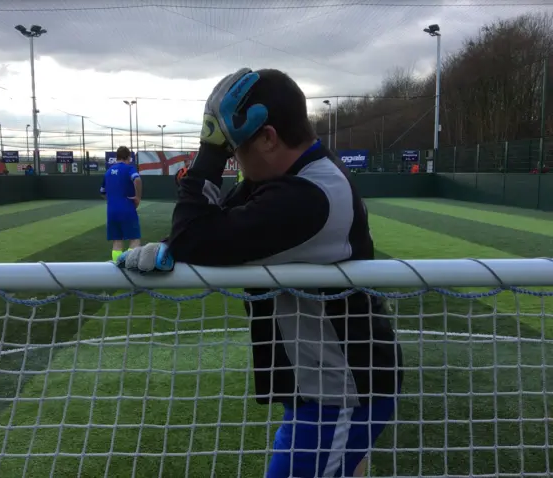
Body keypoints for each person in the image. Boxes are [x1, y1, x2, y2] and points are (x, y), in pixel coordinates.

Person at [118, 68, 403, 477]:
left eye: (235, 149)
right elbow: (207, 226)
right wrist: (169, 244)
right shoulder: (296, 176)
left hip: (344, 391)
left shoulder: (310, 196)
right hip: (324, 382)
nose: (233, 159)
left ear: (268, 137)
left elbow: (198, 236)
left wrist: (209, 152)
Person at [101, 146, 142, 262]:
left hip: (111, 210)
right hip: (127, 208)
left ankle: (116, 265)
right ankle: (129, 265)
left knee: (117, 242)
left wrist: (113, 199)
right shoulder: (129, 169)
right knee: (134, 240)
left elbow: (102, 192)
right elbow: (137, 179)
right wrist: (138, 197)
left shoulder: (108, 172)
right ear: (128, 157)